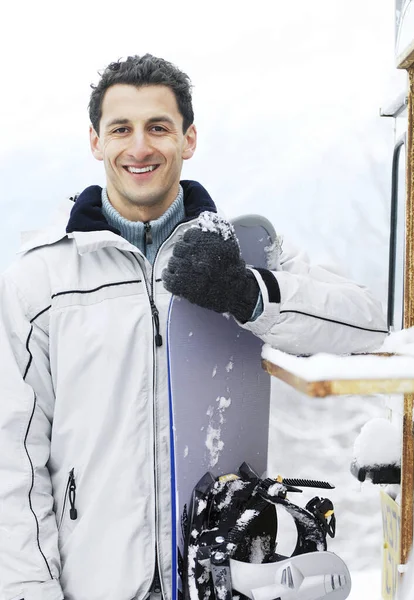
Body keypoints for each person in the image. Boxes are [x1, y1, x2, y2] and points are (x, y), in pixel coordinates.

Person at [0, 54, 387, 600]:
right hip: (93, 584)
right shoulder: (40, 282)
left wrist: (250, 295)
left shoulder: (241, 252)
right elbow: (11, 463)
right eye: (121, 129)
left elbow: (366, 324)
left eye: (159, 127)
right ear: (95, 141)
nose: (140, 147)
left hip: (222, 577)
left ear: (189, 138)